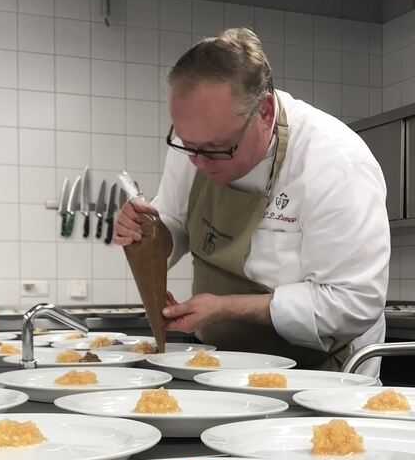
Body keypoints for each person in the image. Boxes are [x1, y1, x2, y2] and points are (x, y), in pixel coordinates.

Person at [113, 28, 388, 375]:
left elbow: (352, 303)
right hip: (226, 364)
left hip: (322, 370)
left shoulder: (336, 164)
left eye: (217, 148)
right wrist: (148, 232)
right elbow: (174, 222)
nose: (197, 161)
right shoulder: (198, 143)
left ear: (265, 111)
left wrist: (228, 308)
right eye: (187, 144)